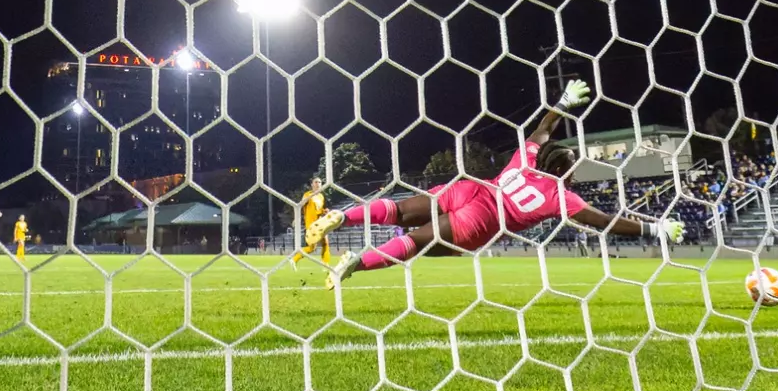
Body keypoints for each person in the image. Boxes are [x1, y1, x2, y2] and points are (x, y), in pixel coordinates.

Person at [307, 81, 683, 288]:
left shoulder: (525, 158)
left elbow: (542, 129)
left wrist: (563, 102)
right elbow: (604, 222)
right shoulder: (558, 196)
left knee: (402, 210)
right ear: (564, 172)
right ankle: (355, 263)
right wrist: (655, 227)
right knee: (415, 243)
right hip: (485, 219)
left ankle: (344, 215)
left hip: (471, 188)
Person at [290, 176, 332, 268]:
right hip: (311, 225)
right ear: (312, 184)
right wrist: (296, 218)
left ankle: (326, 264)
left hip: (320, 223)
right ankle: (294, 259)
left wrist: (325, 211)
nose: (318, 184)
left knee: (325, 243)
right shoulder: (307, 194)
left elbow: (319, 210)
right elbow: (300, 205)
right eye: (316, 182)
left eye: (320, 182)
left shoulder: (321, 196)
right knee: (312, 248)